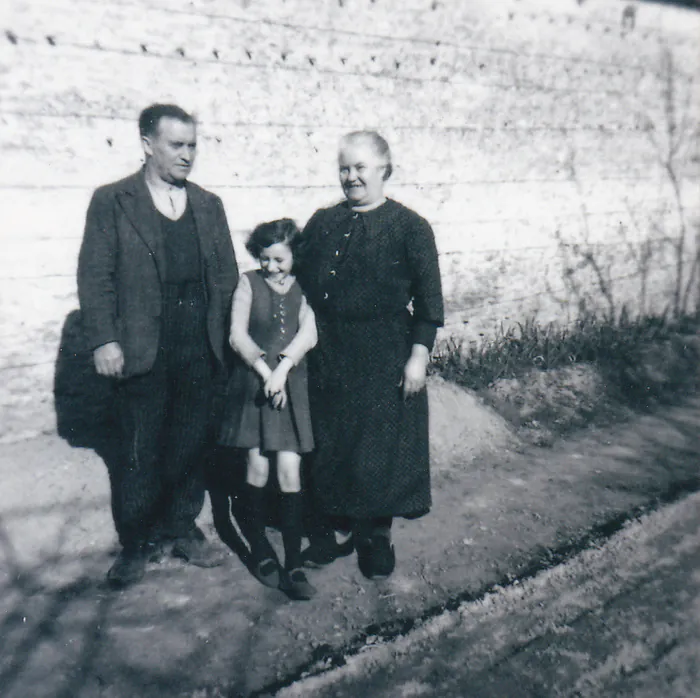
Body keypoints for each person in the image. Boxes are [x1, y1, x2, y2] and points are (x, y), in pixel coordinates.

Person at [77, 103, 239, 588]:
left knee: (190, 440)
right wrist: (104, 338)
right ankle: (138, 541)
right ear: (148, 144)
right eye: (177, 145)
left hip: (199, 338)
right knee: (138, 445)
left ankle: (183, 527)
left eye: (193, 145)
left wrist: (231, 341)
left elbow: (227, 277)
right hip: (142, 341)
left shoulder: (209, 204)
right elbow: (95, 275)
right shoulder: (113, 200)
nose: (188, 155)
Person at [297, 131, 444, 581]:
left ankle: (376, 534)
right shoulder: (322, 221)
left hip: (384, 351)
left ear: (385, 169)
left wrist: (417, 357)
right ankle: (333, 530)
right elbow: (296, 277)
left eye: (361, 167)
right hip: (329, 350)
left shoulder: (409, 227)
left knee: (378, 447)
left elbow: (430, 303)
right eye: (345, 168)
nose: (351, 177)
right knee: (331, 441)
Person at [219, 219, 318, 600]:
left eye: (279, 259)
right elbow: (236, 334)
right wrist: (265, 373)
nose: (271, 267)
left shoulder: (303, 287)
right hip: (253, 386)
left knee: (289, 469)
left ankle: (293, 562)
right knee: (258, 464)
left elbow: (308, 333)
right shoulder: (248, 283)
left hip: (290, 385)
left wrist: (283, 370)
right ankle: (259, 547)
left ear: (294, 256)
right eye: (265, 259)